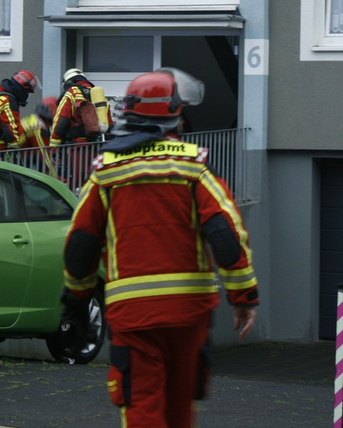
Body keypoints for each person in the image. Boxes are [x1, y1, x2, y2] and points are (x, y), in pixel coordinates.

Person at [60, 68, 259, 428]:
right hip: (189, 312)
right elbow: (227, 234)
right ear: (173, 116)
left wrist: (75, 300)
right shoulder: (194, 165)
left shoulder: (105, 171)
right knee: (180, 407)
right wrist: (243, 297)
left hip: (132, 316)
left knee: (141, 408)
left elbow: (81, 243)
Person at [49, 68, 114, 188]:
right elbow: (109, 123)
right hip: (95, 148)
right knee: (90, 183)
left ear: (68, 82)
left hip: (75, 148)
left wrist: (53, 149)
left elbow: (61, 119)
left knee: (72, 184)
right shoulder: (99, 96)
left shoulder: (72, 92)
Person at [18, 96, 58, 174]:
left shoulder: (33, 119)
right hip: (18, 162)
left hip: (18, 160)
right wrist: (55, 180)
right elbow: (44, 157)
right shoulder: (39, 128)